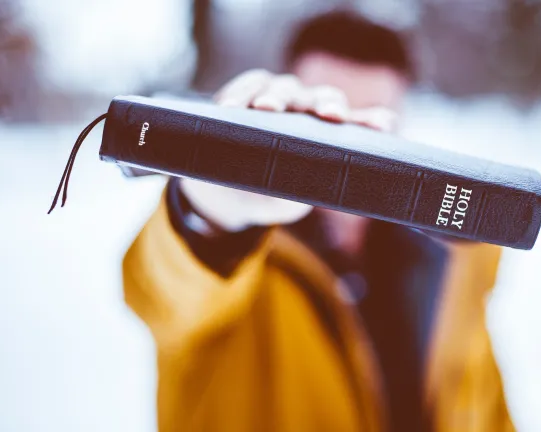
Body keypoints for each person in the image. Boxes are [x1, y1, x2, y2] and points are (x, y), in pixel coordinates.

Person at [123, 11, 514, 432]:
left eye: (372, 122)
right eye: (329, 120)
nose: (352, 147)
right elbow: (163, 293)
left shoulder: (451, 261)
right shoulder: (236, 264)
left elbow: (486, 411)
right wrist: (210, 214)